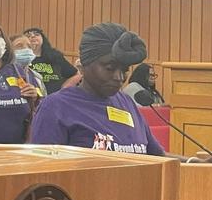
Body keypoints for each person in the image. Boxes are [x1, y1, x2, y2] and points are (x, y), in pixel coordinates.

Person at [31, 23, 165, 156]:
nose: (119, 77)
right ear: (84, 64)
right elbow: (42, 170)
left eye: (125, 70)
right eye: (109, 68)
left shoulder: (127, 103)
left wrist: (186, 162)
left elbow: (157, 156)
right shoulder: (55, 107)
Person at [24, 26, 78, 94]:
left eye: (36, 34)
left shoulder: (55, 56)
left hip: (55, 99)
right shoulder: (22, 59)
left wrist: (64, 88)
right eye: (28, 36)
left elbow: (76, 74)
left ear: (43, 38)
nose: (32, 36)